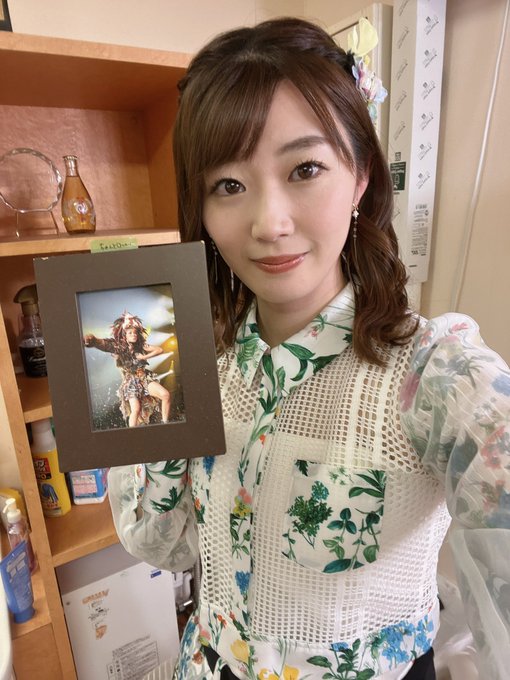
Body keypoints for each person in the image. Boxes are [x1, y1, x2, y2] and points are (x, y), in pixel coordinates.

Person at [107, 16, 510, 680]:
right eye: (228, 185)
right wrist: (148, 412)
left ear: (360, 177)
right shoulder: (188, 361)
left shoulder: (434, 377)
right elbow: (160, 544)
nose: (269, 223)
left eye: (305, 169)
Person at [84, 311, 171, 427]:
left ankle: (165, 424)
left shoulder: (141, 346)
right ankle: (132, 433)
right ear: (124, 335)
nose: (134, 335)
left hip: (144, 379)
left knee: (165, 395)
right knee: (136, 409)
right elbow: (103, 344)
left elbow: (160, 350)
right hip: (130, 382)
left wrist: (144, 357)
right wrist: (93, 340)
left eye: (135, 333)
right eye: (130, 333)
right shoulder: (118, 347)